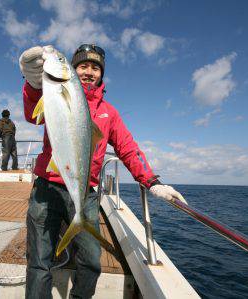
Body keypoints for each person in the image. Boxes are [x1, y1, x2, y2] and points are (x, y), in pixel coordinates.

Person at [19, 44, 187, 299]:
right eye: (82, 66)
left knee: (91, 262)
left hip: (85, 192)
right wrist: (32, 84)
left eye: (95, 68)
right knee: (39, 261)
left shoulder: (110, 113)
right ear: (73, 71)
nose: (89, 72)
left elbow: (128, 148)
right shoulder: (53, 91)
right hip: (47, 187)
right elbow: (34, 113)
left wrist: (151, 181)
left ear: (102, 74)